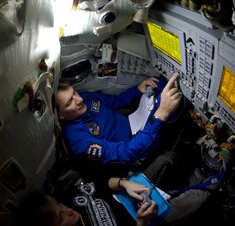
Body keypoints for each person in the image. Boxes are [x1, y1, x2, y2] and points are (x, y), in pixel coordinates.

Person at [55, 73, 182, 165]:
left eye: (74, 93)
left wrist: (137, 90)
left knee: (157, 83)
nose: (79, 99)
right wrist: (160, 115)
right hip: (134, 146)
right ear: (60, 115)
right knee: (162, 102)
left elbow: (115, 102)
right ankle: (181, 134)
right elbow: (125, 153)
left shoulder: (84, 98)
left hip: (133, 122)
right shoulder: (78, 141)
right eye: (69, 102)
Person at [18, 177, 158, 226]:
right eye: (61, 218)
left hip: (129, 193)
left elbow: (102, 183)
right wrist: (141, 223)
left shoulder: (67, 198)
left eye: (59, 206)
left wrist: (124, 183)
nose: (70, 210)